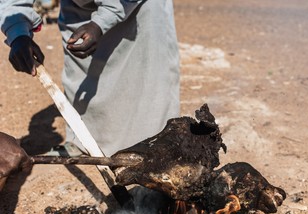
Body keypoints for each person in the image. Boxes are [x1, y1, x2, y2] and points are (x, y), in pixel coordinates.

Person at [0, 0, 180, 157]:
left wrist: (100, 23)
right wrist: (18, 34)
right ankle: (84, 140)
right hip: (78, 9)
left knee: (144, 81)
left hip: (136, 8)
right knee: (82, 75)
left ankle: (153, 149)